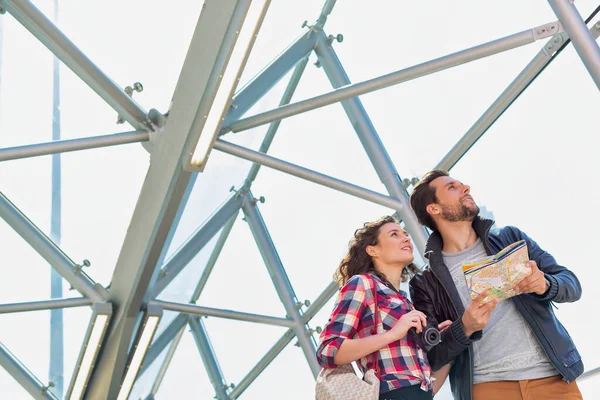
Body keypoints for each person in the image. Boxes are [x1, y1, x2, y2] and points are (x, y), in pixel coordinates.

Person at [408, 170, 583, 400]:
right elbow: (431, 356)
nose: (466, 187)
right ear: (434, 209)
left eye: (462, 184)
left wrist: (545, 284)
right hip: (487, 388)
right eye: (452, 187)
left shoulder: (510, 237)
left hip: (552, 379)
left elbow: (571, 284)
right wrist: (465, 328)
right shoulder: (424, 283)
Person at [316, 216, 451, 400]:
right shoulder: (362, 283)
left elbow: (428, 387)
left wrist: (447, 341)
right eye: (394, 234)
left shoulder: (405, 302)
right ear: (373, 250)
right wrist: (392, 334)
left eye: (405, 234)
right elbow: (328, 350)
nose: (406, 238)